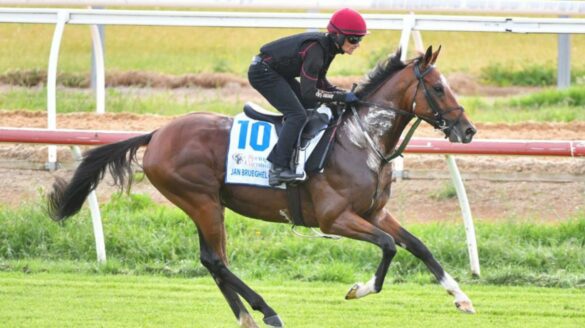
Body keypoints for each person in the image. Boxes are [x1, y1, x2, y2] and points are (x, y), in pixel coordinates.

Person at [248, 7, 367, 186]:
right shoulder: (317, 50)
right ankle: (277, 168)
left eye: (360, 39)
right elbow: (310, 92)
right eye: (353, 39)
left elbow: (319, 82)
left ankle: (297, 153)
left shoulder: (329, 48)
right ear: (338, 36)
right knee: (298, 114)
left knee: (309, 106)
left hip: (276, 72)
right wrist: (340, 98)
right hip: (262, 72)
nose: (357, 44)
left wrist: (342, 94)